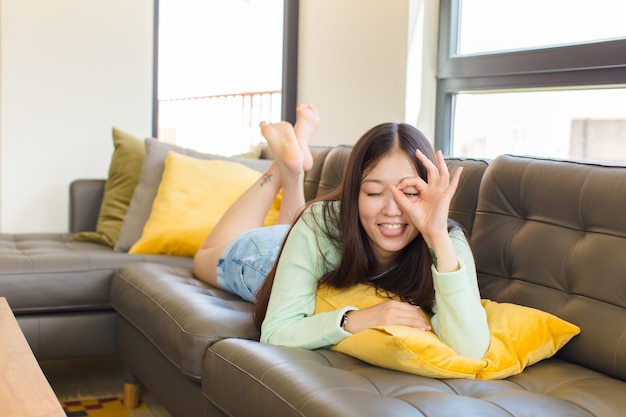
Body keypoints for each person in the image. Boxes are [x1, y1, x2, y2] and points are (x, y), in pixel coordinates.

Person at [194, 104, 490, 359]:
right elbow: (276, 330)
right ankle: (282, 167)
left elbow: (472, 348)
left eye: (409, 192)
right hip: (266, 257)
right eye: (374, 192)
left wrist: (436, 234)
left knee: (293, 227)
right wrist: (356, 319)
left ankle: (293, 167)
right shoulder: (319, 223)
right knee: (204, 257)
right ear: (354, 194)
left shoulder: (447, 240)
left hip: (302, 242)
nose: (392, 209)